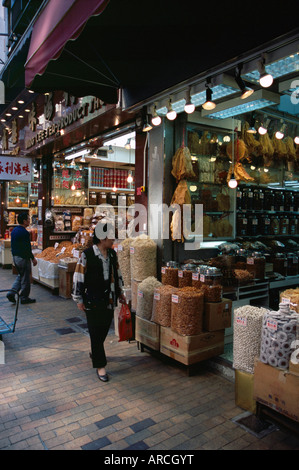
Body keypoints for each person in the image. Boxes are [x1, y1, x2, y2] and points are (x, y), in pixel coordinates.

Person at [72, 221, 125, 382]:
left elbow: (117, 273)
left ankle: (96, 352)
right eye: (111, 236)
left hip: (108, 299)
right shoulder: (87, 255)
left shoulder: (112, 254)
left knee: (102, 330)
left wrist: (121, 292)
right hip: (92, 300)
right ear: (102, 238)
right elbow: (78, 277)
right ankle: (100, 366)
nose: (114, 240)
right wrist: (78, 298)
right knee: (95, 333)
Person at [7, 212, 37, 305]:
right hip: (23, 258)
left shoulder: (15, 230)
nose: (29, 221)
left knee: (21, 276)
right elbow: (27, 248)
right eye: (28, 219)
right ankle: (24, 297)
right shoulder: (24, 232)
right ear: (24, 221)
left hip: (16, 257)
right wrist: (33, 258)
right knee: (26, 279)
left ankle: (11, 293)